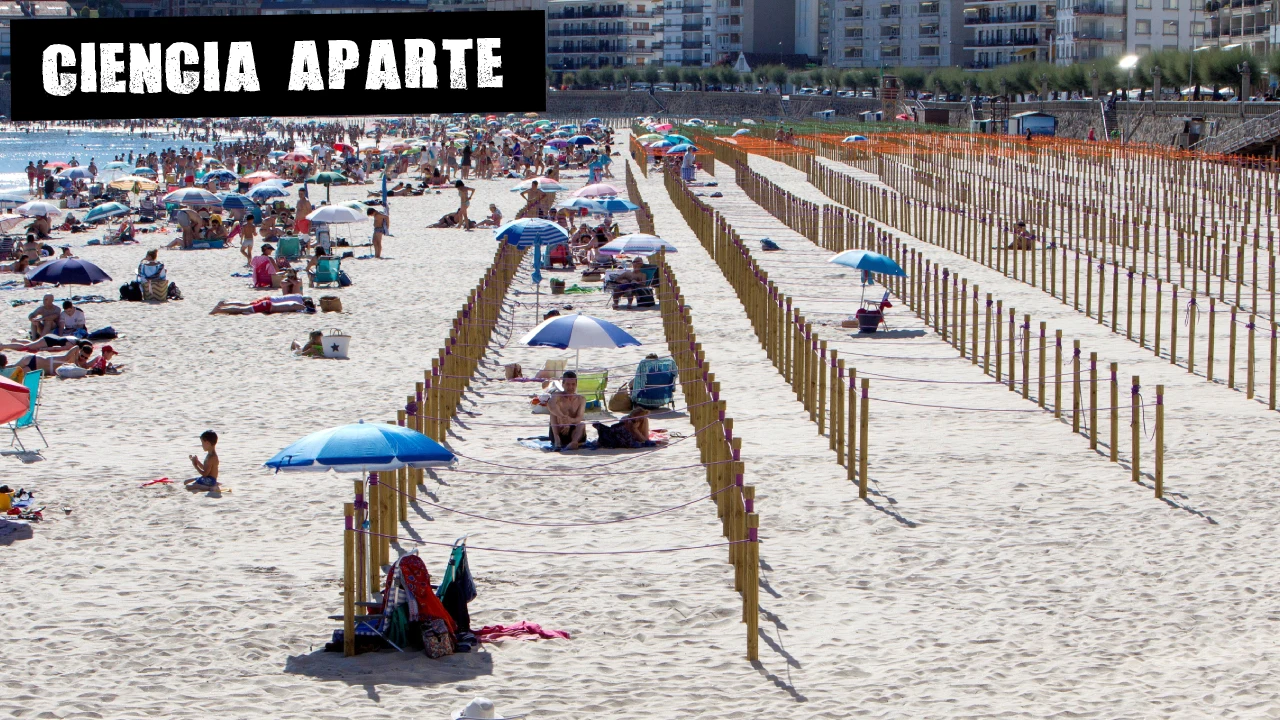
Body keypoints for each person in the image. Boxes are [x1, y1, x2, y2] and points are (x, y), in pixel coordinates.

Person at [548, 370, 586, 451]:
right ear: (563, 385)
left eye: (573, 384)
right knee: (553, 409)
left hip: (573, 431)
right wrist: (562, 417)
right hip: (559, 429)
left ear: (576, 385)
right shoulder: (557, 395)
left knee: (582, 424)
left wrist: (569, 421)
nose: (570, 387)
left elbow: (579, 417)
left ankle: (574, 442)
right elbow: (550, 405)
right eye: (568, 384)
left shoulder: (581, 399)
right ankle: (557, 439)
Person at [210, 294, 314, 315]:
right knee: (242, 309)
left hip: (268, 303)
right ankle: (220, 309)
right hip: (267, 305)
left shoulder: (296, 301)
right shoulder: (299, 305)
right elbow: (308, 311)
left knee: (244, 307)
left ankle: (222, 307)